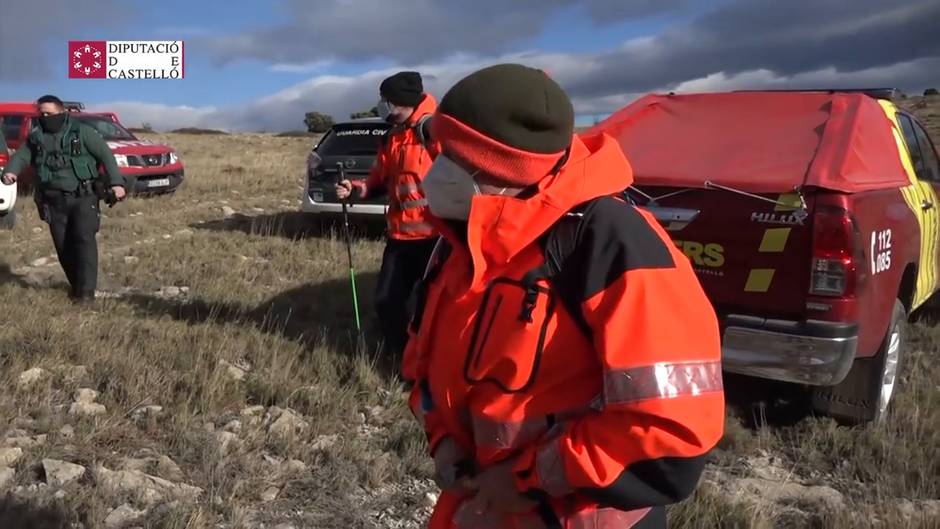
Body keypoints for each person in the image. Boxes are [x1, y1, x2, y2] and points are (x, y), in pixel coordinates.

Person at [402, 64, 725, 528]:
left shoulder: (610, 243)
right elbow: (421, 361)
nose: (438, 170)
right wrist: (443, 441)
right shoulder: (458, 238)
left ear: (504, 167)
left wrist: (526, 479)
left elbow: (670, 433)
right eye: (440, 151)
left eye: (456, 158)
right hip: (483, 509)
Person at [335, 71, 440, 357]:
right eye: (383, 100)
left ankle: (430, 363)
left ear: (406, 101)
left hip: (436, 239)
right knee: (386, 301)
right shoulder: (391, 136)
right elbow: (377, 180)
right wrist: (355, 189)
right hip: (399, 238)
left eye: (389, 101)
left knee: (433, 308)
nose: (384, 106)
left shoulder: (435, 130)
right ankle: (402, 357)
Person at [2, 95, 127, 304]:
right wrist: (11, 171)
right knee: (63, 246)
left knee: (83, 241)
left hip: (83, 197)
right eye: (41, 114)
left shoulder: (83, 132)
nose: (44, 117)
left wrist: (117, 183)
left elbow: (106, 155)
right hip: (52, 200)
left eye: (49, 113)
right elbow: (22, 156)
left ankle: (86, 294)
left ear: (62, 112)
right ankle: (77, 286)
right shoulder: (36, 136)